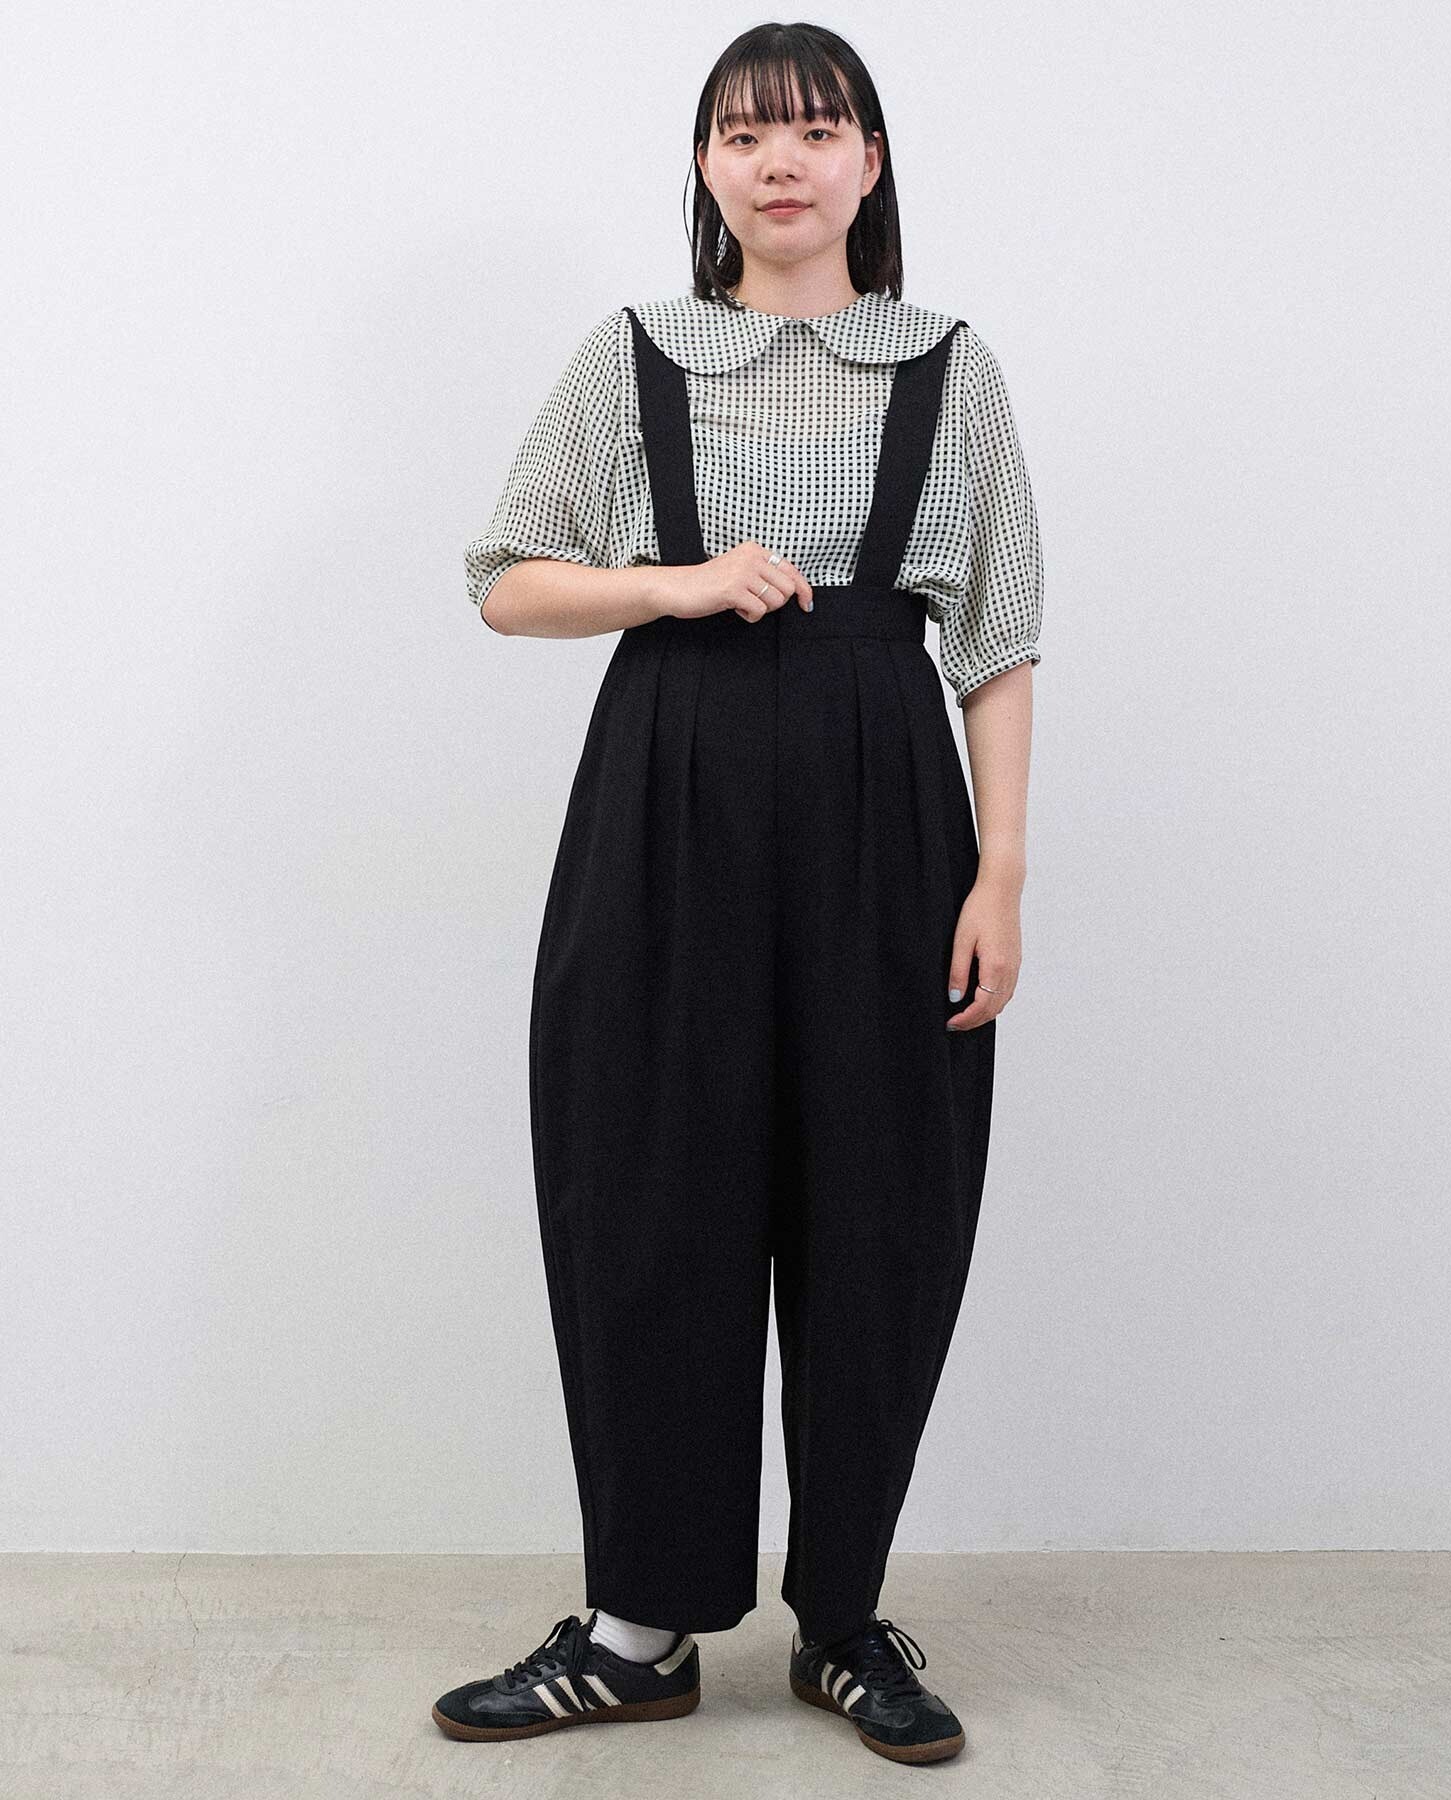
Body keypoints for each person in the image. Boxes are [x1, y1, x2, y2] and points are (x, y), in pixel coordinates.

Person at [434, 21, 1042, 1767]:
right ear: (705, 167)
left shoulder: (950, 367)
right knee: (649, 1187)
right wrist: (675, 583)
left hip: (887, 808)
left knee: (882, 1201)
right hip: (668, 795)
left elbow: (999, 631)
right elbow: (504, 578)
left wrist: (1001, 867)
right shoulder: (635, 353)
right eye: (745, 133)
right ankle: (641, 1625)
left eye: (818, 130)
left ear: (870, 163)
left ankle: (844, 1619)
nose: (782, 161)